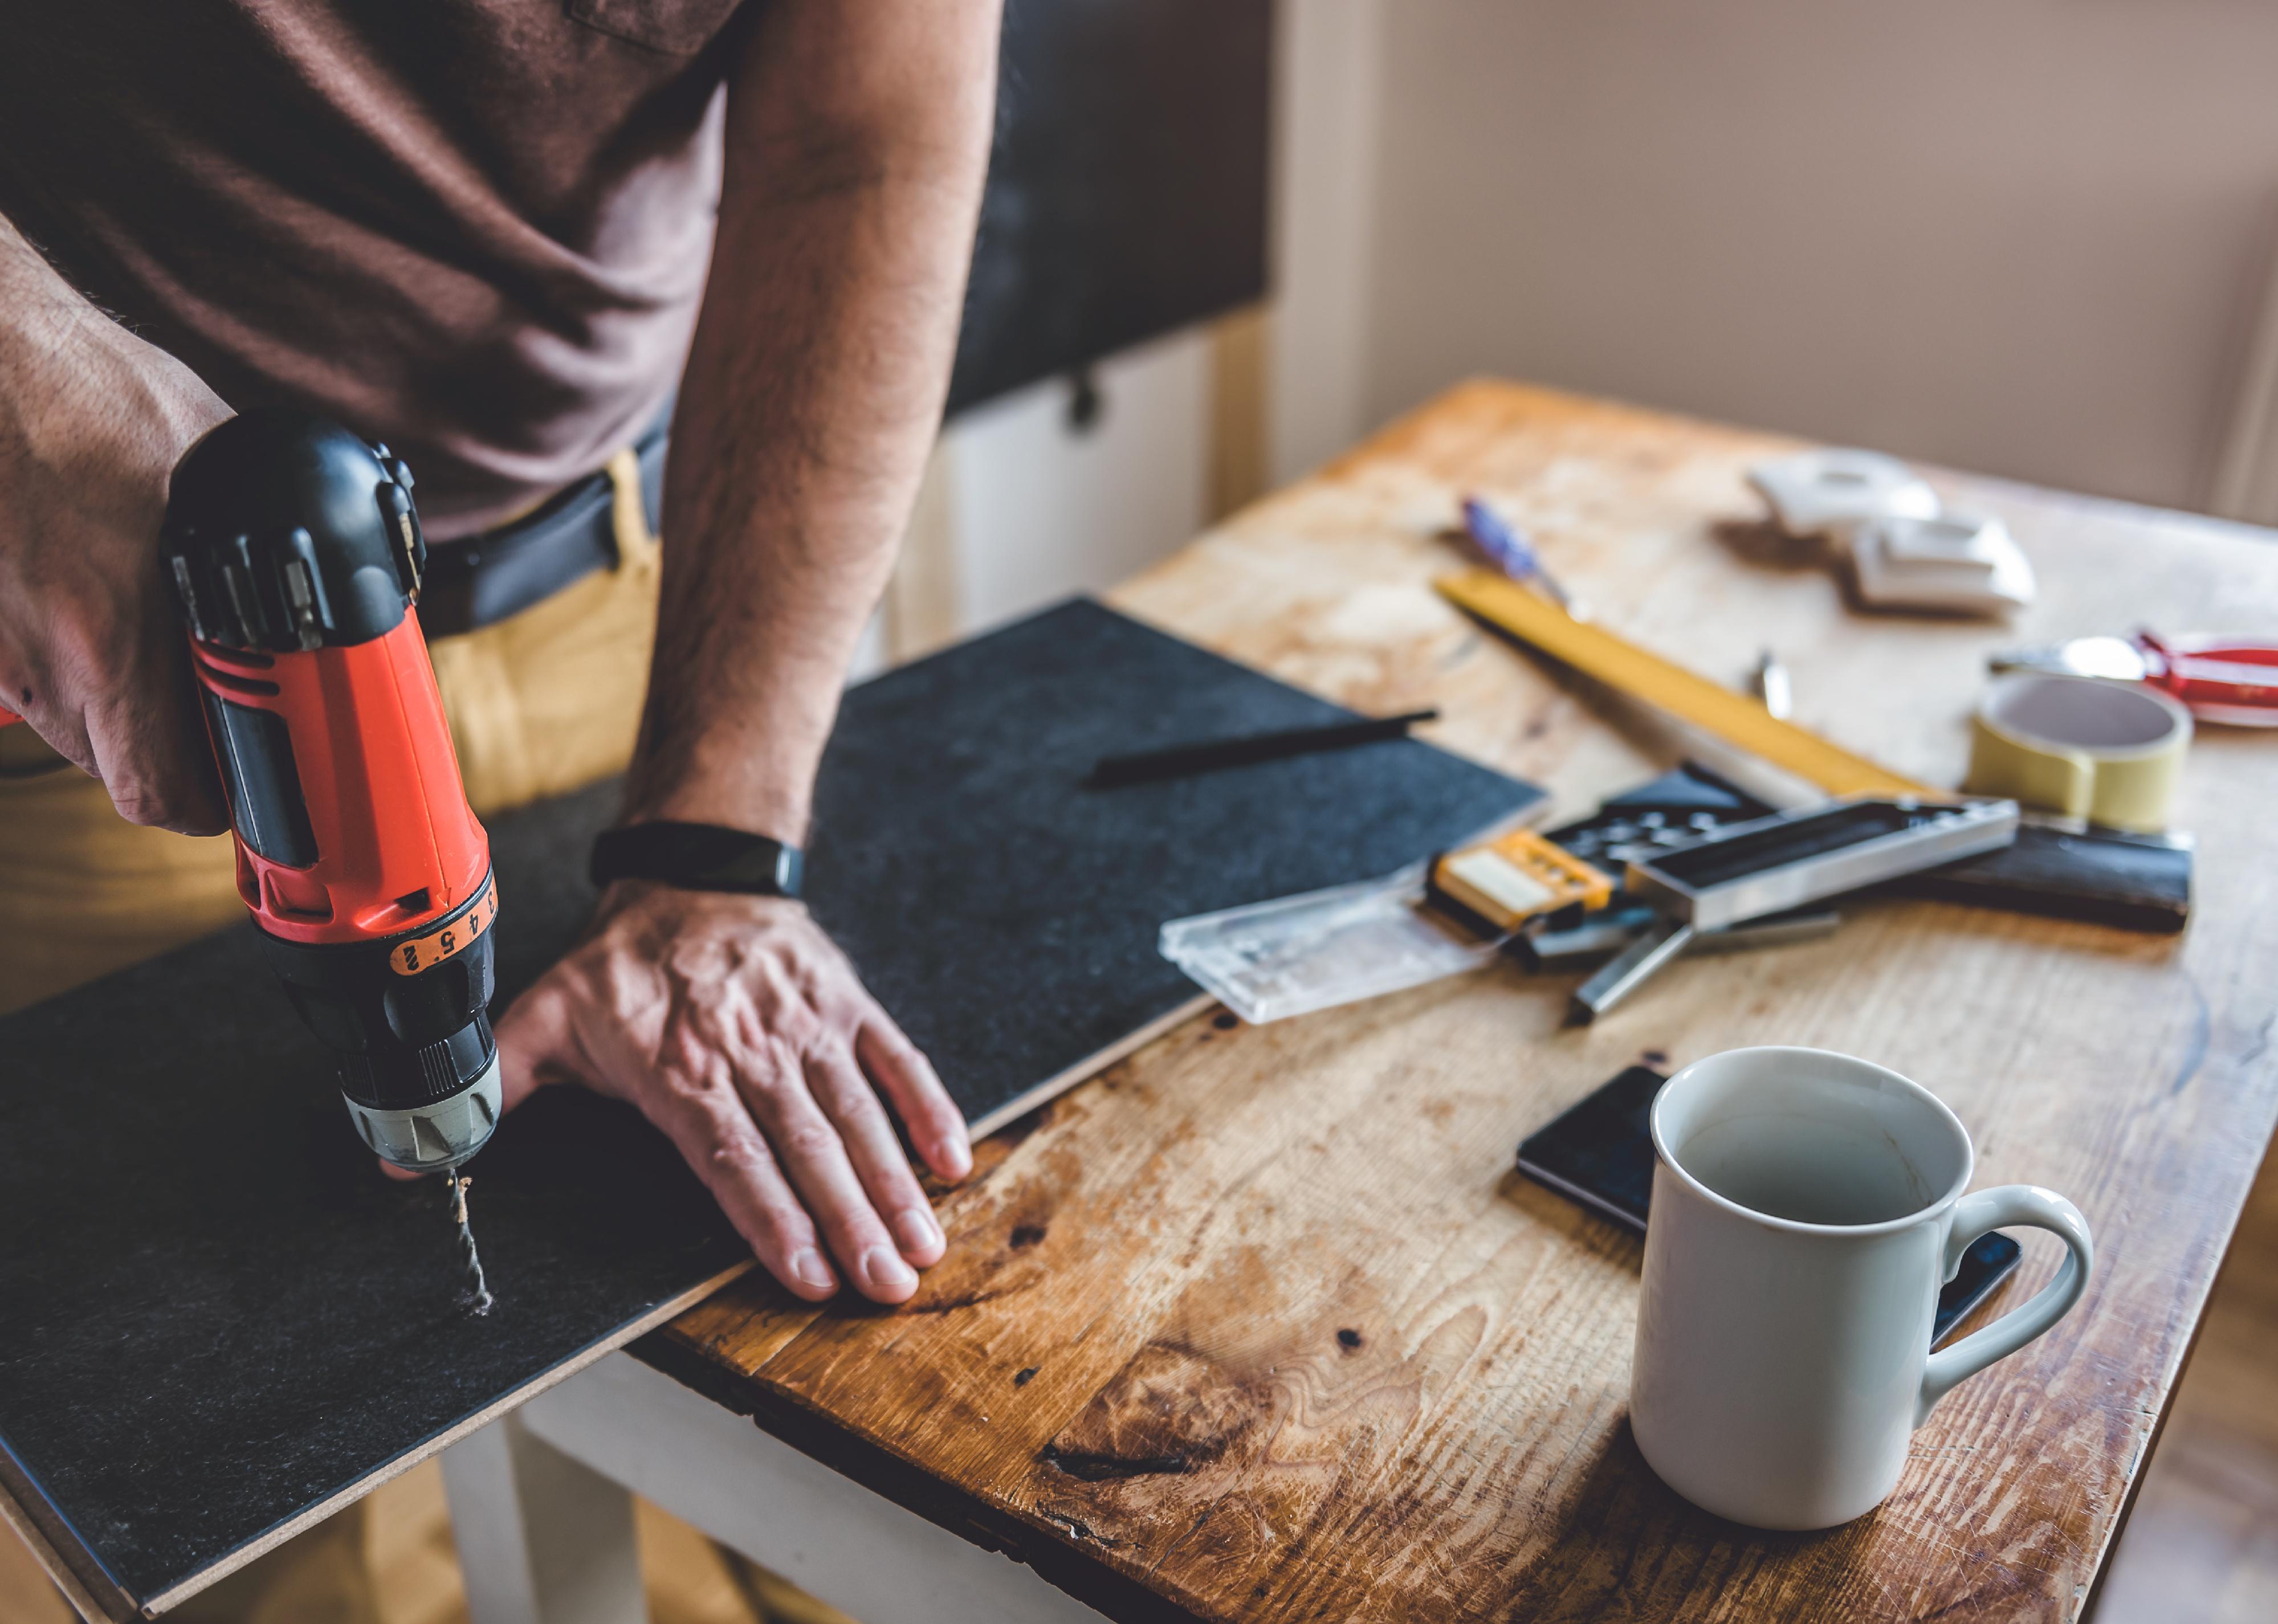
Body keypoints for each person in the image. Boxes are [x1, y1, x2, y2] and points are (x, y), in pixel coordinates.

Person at [0, 0, 1005, 1312]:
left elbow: (857, 149)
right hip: (90, 675)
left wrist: (713, 851)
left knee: (699, 1323)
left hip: (635, 609)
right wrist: (30, 378)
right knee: (193, 1405)